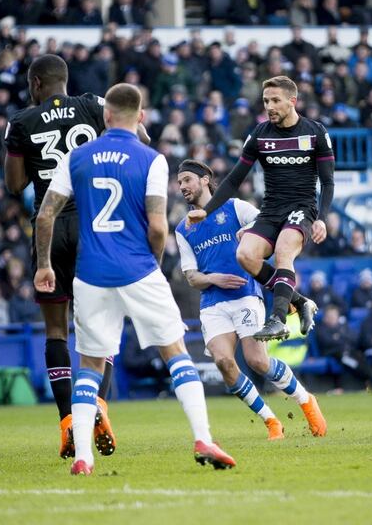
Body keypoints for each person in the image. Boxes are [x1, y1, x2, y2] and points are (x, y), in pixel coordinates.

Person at [34, 83, 235, 475]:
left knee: (89, 364)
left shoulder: (76, 156)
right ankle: (202, 437)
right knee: (175, 352)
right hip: (138, 267)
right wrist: (152, 263)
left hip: (90, 274)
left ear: (105, 116)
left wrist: (45, 264)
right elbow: (158, 225)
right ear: (140, 117)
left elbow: (45, 215)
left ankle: (82, 457)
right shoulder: (152, 159)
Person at [4, 54, 120, 460]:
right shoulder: (92, 106)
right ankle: (98, 408)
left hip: (49, 228)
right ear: (64, 81)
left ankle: (69, 423)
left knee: (57, 331)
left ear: (36, 83)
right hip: (95, 227)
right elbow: (130, 138)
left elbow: (15, 184)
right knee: (100, 326)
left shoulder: (22, 121)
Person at [174, 159, 327, 440]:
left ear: (205, 180)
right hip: (212, 302)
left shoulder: (235, 207)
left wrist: (251, 230)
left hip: (245, 295)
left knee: (257, 361)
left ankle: (306, 400)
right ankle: (271, 421)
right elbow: (191, 276)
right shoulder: (183, 228)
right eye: (179, 182)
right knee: (223, 362)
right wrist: (214, 279)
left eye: (186, 180)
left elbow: (268, 224)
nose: (182, 186)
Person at [186, 76, 334, 341]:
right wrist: (206, 210)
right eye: (266, 101)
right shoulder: (259, 134)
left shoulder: (315, 132)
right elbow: (233, 179)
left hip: (302, 207)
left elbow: (328, 180)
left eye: (276, 100)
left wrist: (321, 218)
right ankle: (299, 302)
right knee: (245, 255)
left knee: (283, 251)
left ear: (292, 101)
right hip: (271, 209)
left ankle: (277, 319)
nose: (270, 106)